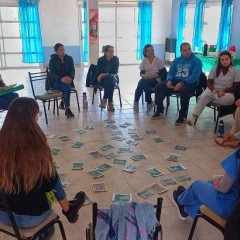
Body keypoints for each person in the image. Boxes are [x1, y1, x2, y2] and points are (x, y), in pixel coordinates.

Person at [0, 97, 85, 239]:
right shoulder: (37, 149)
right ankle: (68, 209)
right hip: (33, 217)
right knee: (51, 172)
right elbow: (49, 185)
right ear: (33, 118)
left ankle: (67, 210)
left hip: (4, 216)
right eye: (37, 114)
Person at [172, 149, 240, 222]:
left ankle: (180, 201)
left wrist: (216, 180)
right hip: (236, 208)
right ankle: (187, 209)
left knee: (197, 185)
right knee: (208, 185)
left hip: (232, 210)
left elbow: (223, 188)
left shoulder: (237, 156)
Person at [151, 42, 202, 125]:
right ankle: (160, 110)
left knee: (184, 91)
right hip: (175, 81)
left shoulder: (196, 61)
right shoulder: (176, 60)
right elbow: (171, 72)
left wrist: (182, 83)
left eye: (189, 49)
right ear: (181, 51)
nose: (187, 52)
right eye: (184, 50)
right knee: (159, 86)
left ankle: (182, 116)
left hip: (190, 84)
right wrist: (169, 80)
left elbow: (195, 76)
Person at [187, 50, 240, 127]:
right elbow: (209, 82)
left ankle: (203, 99)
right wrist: (213, 90)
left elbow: (235, 86)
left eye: (226, 59)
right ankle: (193, 117)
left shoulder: (235, 70)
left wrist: (223, 91)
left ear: (230, 59)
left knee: (231, 99)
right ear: (219, 60)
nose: (224, 61)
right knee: (207, 95)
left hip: (227, 93)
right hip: (212, 90)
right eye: (222, 60)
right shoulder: (215, 68)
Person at [133, 44, 167, 113]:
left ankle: (149, 102)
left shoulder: (158, 61)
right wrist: (144, 75)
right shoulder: (144, 61)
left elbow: (163, 74)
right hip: (147, 78)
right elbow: (141, 73)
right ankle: (136, 101)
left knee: (146, 83)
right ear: (145, 53)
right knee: (141, 82)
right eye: (148, 51)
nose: (151, 52)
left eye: (152, 50)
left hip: (156, 80)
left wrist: (154, 75)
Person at [49, 43, 75, 118]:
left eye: (63, 49)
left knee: (66, 85)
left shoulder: (69, 58)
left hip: (67, 81)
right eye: (60, 50)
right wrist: (61, 79)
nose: (63, 51)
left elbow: (72, 70)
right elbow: (52, 73)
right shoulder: (53, 60)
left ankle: (64, 103)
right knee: (67, 86)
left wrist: (71, 77)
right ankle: (67, 108)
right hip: (56, 82)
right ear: (56, 52)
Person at [97, 45, 119, 111]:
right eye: (110, 51)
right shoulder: (101, 60)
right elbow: (99, 72)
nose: (112, 53)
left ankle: (104, 100)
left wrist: (104, 74)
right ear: (105, 52)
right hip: (103, 80)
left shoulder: (115, 59)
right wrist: (105, 74)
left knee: (110, 78)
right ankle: (110, 103)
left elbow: (115, 71)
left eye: (113, 51)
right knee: (109, 80)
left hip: (114, 78)